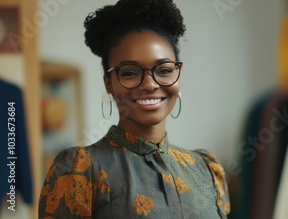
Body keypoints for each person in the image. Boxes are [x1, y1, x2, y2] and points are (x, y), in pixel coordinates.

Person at [38, 0, 230, 218]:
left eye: (164, 70)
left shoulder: (206, 170)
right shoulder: (82, 171)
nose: (149, 84)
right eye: (130, 73)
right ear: (108, 83)